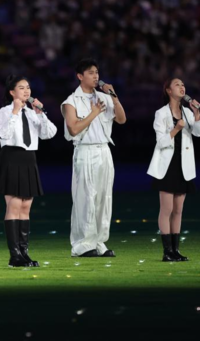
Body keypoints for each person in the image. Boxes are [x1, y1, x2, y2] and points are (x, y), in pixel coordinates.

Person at [61, 58, 127, 258]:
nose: (95, 76)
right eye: (90, 73)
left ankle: (99, 242)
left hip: (104, 151)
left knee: (104, 198)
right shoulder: (70, 101)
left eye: (96, 72)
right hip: (85, 151)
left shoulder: (104, 97)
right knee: (85, 198)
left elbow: (122, 119)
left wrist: (114, 97)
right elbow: (73, 128)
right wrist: (93, 113)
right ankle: (82, 245)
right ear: (80, 76)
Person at [0, 75, 57, 267]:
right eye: (21, 88)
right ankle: (14, 256)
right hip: (11, 157)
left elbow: (49, 133)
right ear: (12, 92)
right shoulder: (4, 112)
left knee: (26, 207)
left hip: (29, 159)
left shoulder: (32, 113)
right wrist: (15, 111)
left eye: (28, 87)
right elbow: (3, 134)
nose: (26, 91)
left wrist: (40, 113)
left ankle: (24, 252)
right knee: (13, 205)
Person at [147, 78, 200, 262]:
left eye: (183, 85)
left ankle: (176, 250)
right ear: (168, 90)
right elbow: (161, 142)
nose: (182, 87)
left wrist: (196, 113)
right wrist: (175, 129)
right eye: (177, 84)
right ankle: (167, 251)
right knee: (167, 208)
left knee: (178, 209)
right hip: (168, 164)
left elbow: (199, 132)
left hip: (183, 164)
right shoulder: (161, 113)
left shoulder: (187, 112)